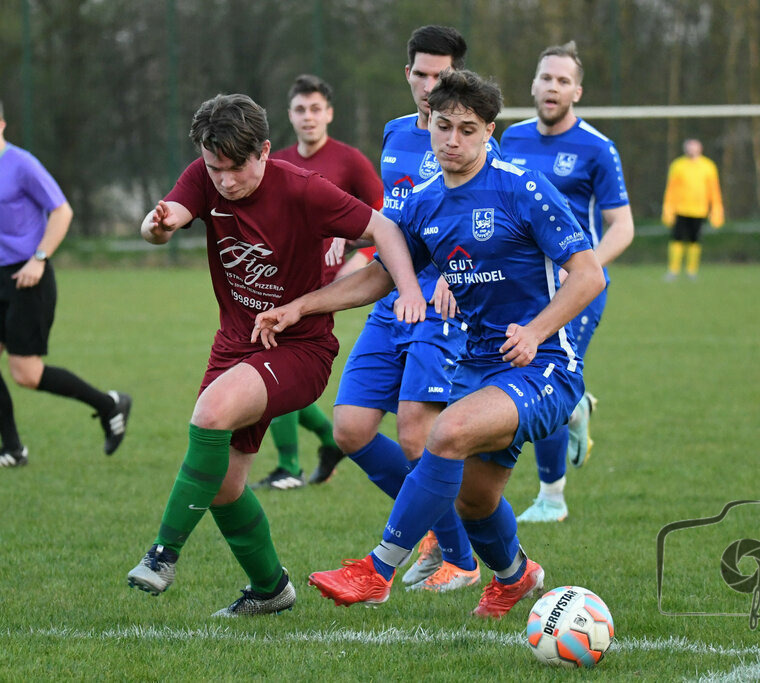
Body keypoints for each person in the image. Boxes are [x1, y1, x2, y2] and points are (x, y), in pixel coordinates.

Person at [253, 69, 606, 618]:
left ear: (489, 132)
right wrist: (302, 305)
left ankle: (377, 570)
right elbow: (380, 276)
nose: (452, 140)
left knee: (445, 434)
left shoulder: (523, 187)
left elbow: (588, 275)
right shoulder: (421, 201)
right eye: (443, 127)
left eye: (467, 129)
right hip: (479, 365)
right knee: (474, 499)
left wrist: (536, 330)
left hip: (543, 365)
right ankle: (515, 576)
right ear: (430, 123)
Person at [125, 93, 425, 617]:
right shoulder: (204, 175)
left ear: (264, 151)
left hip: (300, 348)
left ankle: (162, 554)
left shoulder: (303, 189)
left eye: (235, 168)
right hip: (235, 343)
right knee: (224, 486)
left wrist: (410, 290)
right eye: (214, 168)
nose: (224, 180)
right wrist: (158, 225)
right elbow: (166, 220)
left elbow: (383, 227)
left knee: (209, 414)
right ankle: (270, 589)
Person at [324, 25, 487, 593]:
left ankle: (462, 559)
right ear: (408, 74)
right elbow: (391, 220)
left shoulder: (475, 144)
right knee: (350, 429)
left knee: (419, 436)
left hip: (444, 304)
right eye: (420, 74)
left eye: (440, 75)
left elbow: (485, 217)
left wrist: (456, 274)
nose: (428, 85)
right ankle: (437, 530)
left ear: (458, 77)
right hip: (392, 297)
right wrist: (347, 237)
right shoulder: (395, 132)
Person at [0, 88, 132, 469]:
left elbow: (62, 212)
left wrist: (39, 259)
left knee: (26, 374)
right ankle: (12, 449)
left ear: (1, 124)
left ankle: (109, 404)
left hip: (30, 277)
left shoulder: (22, 164)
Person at [500, 41, 634, 523]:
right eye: (546, 77)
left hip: (577, 288)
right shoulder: (510, 139)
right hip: (520, 285)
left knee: (543, 375)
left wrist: (581, 266)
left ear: (577, 91)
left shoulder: (598, 148)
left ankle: (551, 498)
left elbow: (622, 226)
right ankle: (576, 408)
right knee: (524, 375)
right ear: (533, 85)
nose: (552, 87)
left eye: (563, 80)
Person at [250, 74, 385, 491]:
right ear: (289, 116)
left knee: (271, 366)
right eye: (300, 110)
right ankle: (329, 440)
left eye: (315, 109)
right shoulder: (276, 161)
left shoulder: (349, 161)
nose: (308, 117)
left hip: (322, 290)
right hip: (279, 282)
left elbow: (386, 219)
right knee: (271, 366)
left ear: (329, 114)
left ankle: (289, 468)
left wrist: (359, 257)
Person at [662, 138, 724, 281]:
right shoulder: (678, 165)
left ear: (700, 149)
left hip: (700, 210)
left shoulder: (708, 166)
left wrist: (716, 209)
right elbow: (671, 189)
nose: (691, 150)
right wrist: (668, 208)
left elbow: (714, 190)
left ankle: (691, 271)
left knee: (694, 240)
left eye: (694, 148)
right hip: (680, 209)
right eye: (689, 148)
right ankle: (673, 270)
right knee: (676, 239)